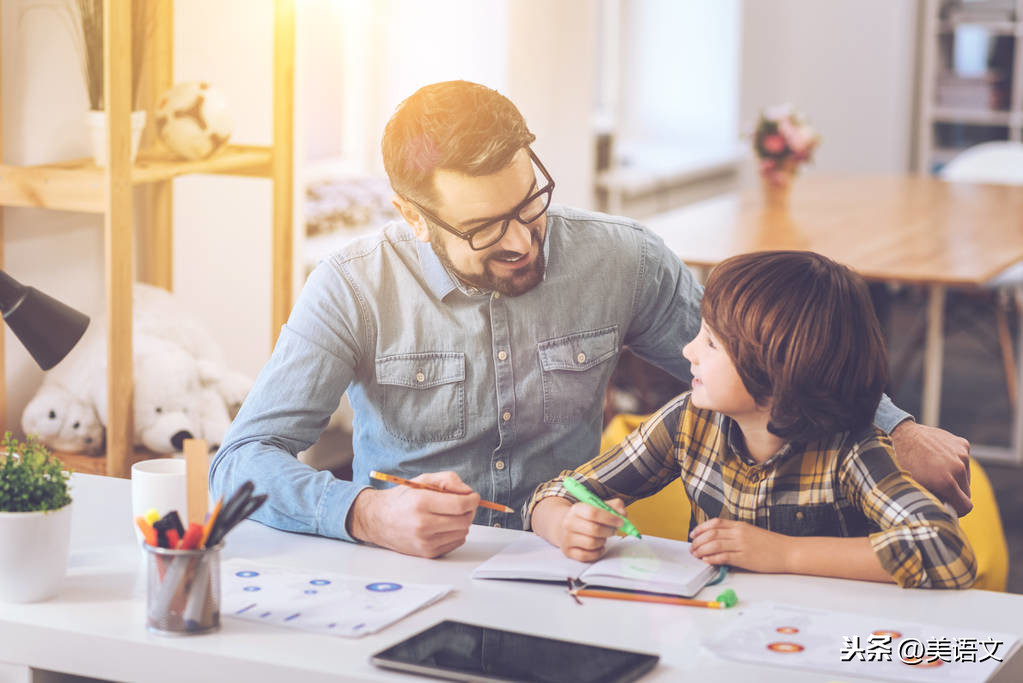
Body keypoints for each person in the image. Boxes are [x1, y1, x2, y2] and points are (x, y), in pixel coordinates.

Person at [210, 80, 972, 559]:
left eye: (527, 204)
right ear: (412, 216)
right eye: (482, 229)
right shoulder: (350, 286)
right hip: (408, 571)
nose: (518, 240)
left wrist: (897, 427)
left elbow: (763, 364)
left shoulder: (622, 259)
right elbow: (240, 458)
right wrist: (368, 513)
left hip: (567, 568)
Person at [527, 251, 976, 589]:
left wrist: (786, 552)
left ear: (776, 374)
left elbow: (948, 550)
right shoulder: (687, 422)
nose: (688, 351)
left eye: (711, 344)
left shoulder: (853, 450)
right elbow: (555, 493)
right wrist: (563, 524)